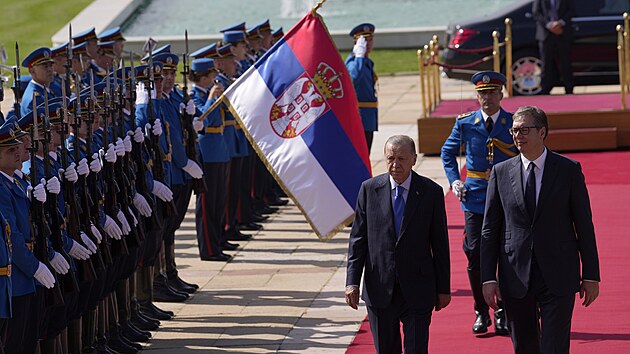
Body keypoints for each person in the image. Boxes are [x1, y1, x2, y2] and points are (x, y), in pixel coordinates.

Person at [481, 106, 600, 354]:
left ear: (542, 132)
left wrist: (591, 274)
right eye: (514, 130)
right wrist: (488, 277)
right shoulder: (501, 173)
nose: (517, 136)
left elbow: (584, 225)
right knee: (524, 346)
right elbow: (490, 229)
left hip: (559, 272)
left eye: (525, 130)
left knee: (554, 346)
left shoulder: (568, 170)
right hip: (515, 273)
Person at [346, 135, 451, 354]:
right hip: (379, 287)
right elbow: (358, 240)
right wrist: (352, 282)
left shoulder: (431, 192)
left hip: (418, 288)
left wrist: (443, 288)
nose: (395, 165)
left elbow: (440, 243)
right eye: (390, 158)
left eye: (402, 158)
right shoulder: (369, 190)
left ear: (414, 159)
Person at [441, 71, 516, 335]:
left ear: (501, 94)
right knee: (474, 253)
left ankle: (503, 310)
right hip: (474, 197)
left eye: (491, 93)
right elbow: (447, 152)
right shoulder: (465, 122)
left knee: (507, 253)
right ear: (477, 96)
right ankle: (480, 310)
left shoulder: (512, 122)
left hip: (506, 196)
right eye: (482, 93)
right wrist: (453, 181)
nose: (486, 98)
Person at [345, 23, 378, 154]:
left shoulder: (366, 61)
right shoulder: (353, 62)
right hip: (359, 117)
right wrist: (358, 56)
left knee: (366, 155)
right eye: (364, 40)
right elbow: (356, 77)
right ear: (356, 42)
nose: (368, 43)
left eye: (370, 40)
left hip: (368, 118)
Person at [533, 0, 575, 94]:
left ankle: (569, 88)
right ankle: (545, 88)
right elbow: (536, 12)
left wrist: (560, 23)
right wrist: (549, 25)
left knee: (565, 62)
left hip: (562, 33)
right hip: (545, 34)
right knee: (546, 63)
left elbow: (571, 11)